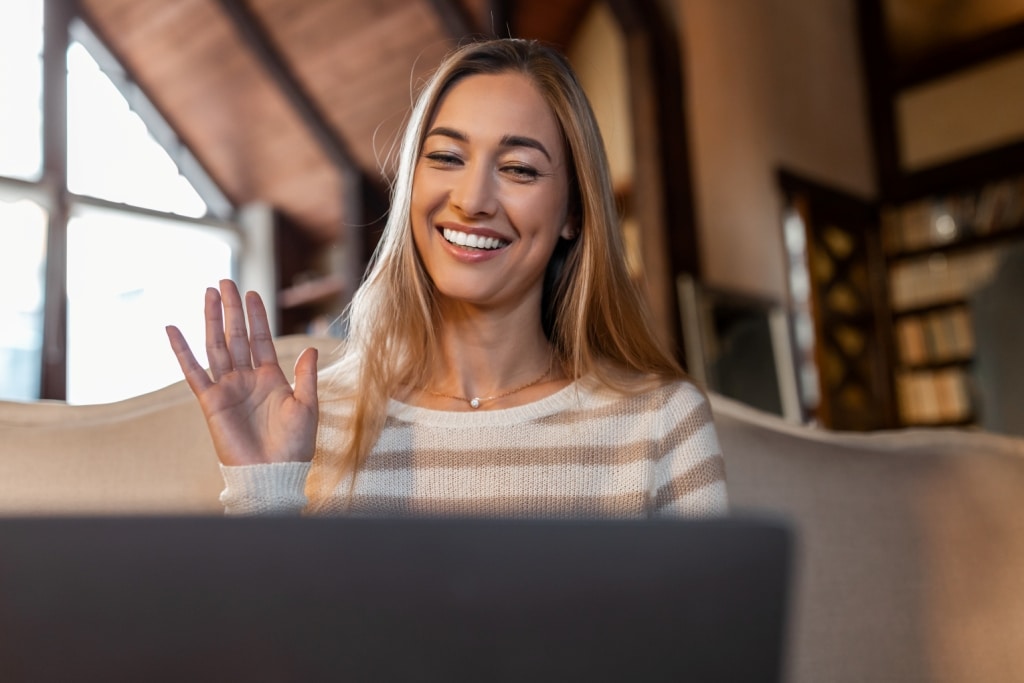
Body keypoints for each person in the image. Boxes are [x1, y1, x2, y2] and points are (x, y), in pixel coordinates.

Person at [166, 38, 728, 518]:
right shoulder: (313, 422)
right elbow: (280, 644)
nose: (472, 200)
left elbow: (712, 645)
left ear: (574, 213)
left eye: (518, 169)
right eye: (446, 158)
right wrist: (266, 493)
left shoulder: (660, 424)